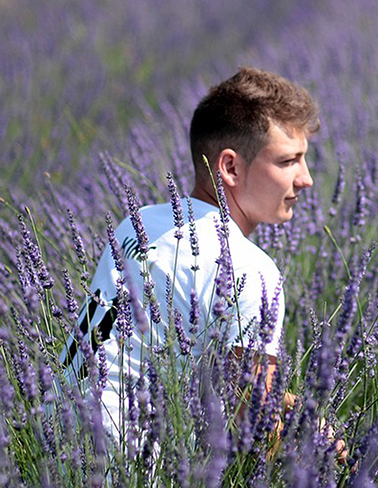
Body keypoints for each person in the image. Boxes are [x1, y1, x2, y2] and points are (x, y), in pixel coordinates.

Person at [60, 67, 318, 444]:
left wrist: (288, 406)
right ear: (229, 167)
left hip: (50, 442)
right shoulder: (251, 272)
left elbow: (149, 354)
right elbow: (253, 432)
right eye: (287, 161)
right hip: (125, 468)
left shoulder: (138, 222)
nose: (306, 178)